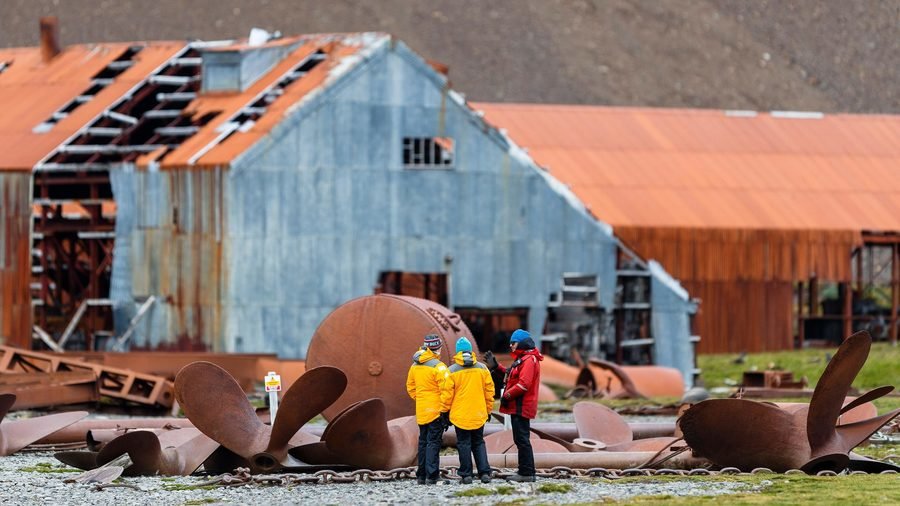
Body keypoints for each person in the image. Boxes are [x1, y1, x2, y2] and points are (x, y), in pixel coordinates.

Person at [483, 328, 542, 482]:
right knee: (521, 439)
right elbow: (512, 375)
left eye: (513, 343)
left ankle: (527, 473)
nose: (511, 346)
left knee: (522, 440)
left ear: (522, 343)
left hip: (521, 406)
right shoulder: (525, 358)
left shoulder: (529, 360)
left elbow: (523, 384)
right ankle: (526, 471)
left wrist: (507, 396)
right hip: (519, 406)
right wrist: (497, 367)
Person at [440, 336, 495, 484]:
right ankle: (485, 473)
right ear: (471, 351)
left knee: (463, 443)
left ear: (458, 352)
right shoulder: (483, 369)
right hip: (479, 413)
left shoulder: (451, 370)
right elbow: (489, 392)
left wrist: (444, 412)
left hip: (460, 415)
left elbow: (446, 395)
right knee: (478, 442)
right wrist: (489, 410)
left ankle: (466, 475)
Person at [406, 333, 450, 485]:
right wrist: (445, 410)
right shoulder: (439, 367)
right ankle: (432, 476)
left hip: (422, 410)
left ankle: (421, 475)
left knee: (423, 442)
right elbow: (447, 390)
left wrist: (420, 400)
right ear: (437, 348)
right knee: (433, 442)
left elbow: (410, 387)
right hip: (436, 411)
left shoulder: (415, 365)